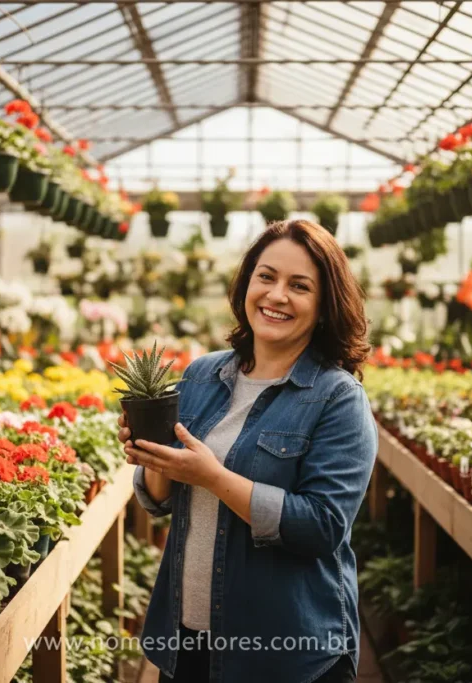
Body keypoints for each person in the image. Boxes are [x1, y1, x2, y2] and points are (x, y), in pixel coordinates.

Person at [121, 220, 378, 683]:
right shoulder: (201, 376)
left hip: (285, 656)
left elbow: (322, 525)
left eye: (299, 286)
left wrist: (212, 476)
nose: (277, 295)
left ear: (325, 306)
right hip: (187, 642)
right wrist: (152, 454)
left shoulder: (337, 398)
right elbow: (160, 499)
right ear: (246, 285)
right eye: (266, 276)